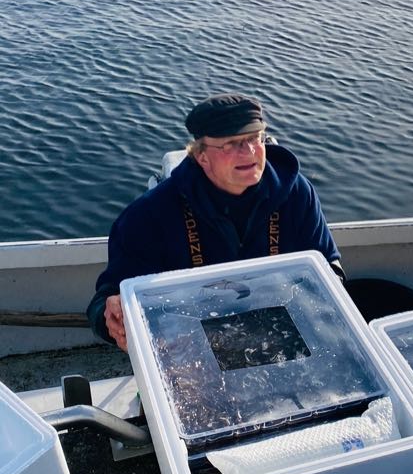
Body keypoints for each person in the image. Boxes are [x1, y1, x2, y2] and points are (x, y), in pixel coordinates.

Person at [87, 94, 344, 352]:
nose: (249, 152)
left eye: (255, 138)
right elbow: (106, 299)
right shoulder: (150, 215)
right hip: (191, 341)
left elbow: (327, 266)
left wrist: (325, 292)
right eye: (231, 144)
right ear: (201, 156)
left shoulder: (297, 194)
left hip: (279, 327)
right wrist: (112, 316)